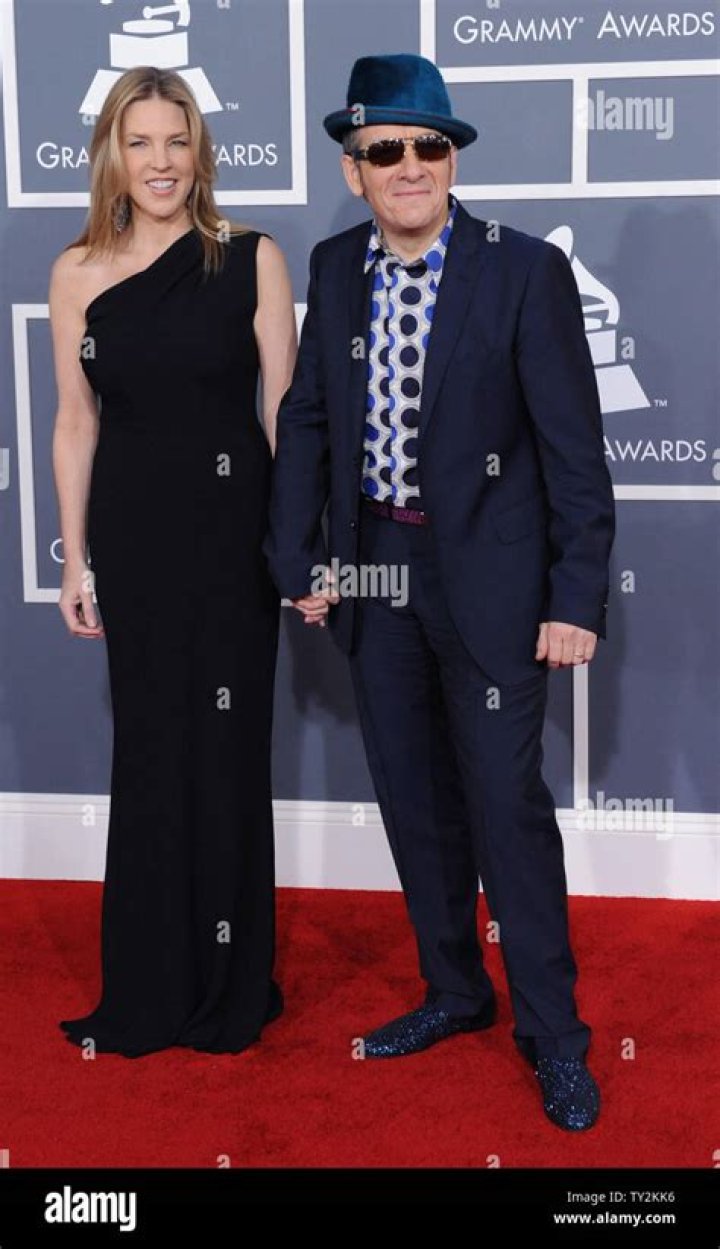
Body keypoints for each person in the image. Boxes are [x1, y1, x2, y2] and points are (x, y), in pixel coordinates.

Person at [264, 54, 615, 1130]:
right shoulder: (336, 267)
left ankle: (554, 1036)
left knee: (507, 808)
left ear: (452, 159)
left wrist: (576, 595)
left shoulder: (523, 271)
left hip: (497, 582)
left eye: (429, 146)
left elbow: (575, 452)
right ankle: (456, 990)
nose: (410, 165)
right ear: (355, 167)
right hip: (377, 570)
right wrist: (300, 558)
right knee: (414, 801)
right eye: (386, 151)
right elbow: (309, 421)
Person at [50, 66, 296, 1057]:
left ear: (201, 153)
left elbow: (283, 414)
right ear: (112, 154)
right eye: (140, 141)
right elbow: (75, 423)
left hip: (233, 540)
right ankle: (152, 983)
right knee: (151, 751)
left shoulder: (251, 259)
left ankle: (231, 981)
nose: (161, 162)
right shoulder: (76, 272)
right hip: (134, 539)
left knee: (228, 750)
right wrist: (75, 560)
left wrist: (296, 543)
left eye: (177, 140)